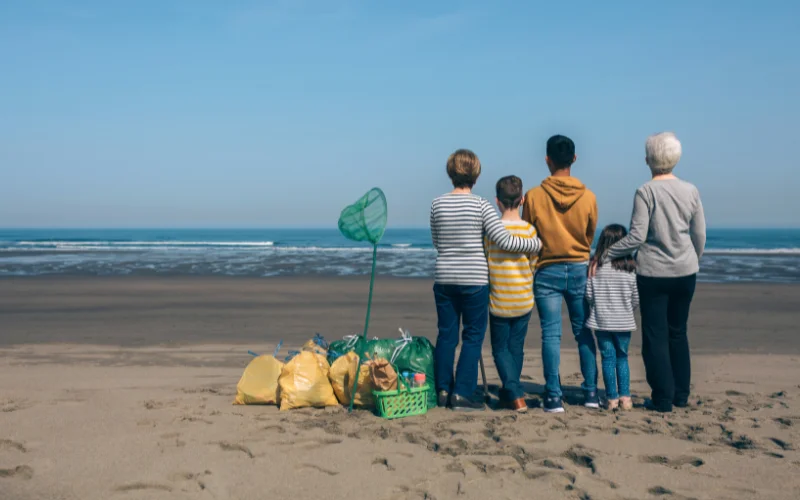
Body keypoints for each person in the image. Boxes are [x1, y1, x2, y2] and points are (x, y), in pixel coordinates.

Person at [598, 132, 706, 413]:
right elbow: (699, 233)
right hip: (686, 271)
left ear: (648, 160)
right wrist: (694, 258)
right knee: (678, 333)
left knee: (655, 336)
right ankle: (680, 394)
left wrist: (607, 254)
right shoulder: (691, 190)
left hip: (653, 273)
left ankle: (662, 398)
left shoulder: (645, 191)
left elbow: (636, 236)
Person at [430, 150, 541, 412]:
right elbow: (504, 240)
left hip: (444, 275)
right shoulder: (481, 206)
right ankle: (462, 393)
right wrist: (534, 243)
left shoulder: (437, 204)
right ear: (476, 176)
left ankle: (443, 389)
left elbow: (436, 241)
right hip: (474, 279)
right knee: (472, 335)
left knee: (446, 335)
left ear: (450, 173)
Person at [522, 134, 599, 413]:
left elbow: (528, 233)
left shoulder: (533, 196)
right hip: (579, 267)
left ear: (547, 160)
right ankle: (591, 392)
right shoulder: (589, 196)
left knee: (551, 335)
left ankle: (553, 396)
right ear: (574, 159)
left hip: (547, 268)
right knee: (583, 332)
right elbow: (589, 234)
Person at [485, 176, 539, 413]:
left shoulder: (491, 232)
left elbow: (486, 261)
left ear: (497, 202)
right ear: (522, 200)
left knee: (499, 349)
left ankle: (514, 393)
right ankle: (511, 393)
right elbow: (533, 263)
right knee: (516, 347)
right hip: (523, 297)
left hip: (499, 297)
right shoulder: (529, 230)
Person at [586, 224, 639, 411]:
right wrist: (625, 310)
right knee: (622, 358)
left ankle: (611, 399)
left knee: (608, 358)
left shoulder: (595, 267)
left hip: (602, 322)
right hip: (624, 322)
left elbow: (589, 296)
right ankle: (626, 398)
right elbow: (635, 298)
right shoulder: (630, 268)